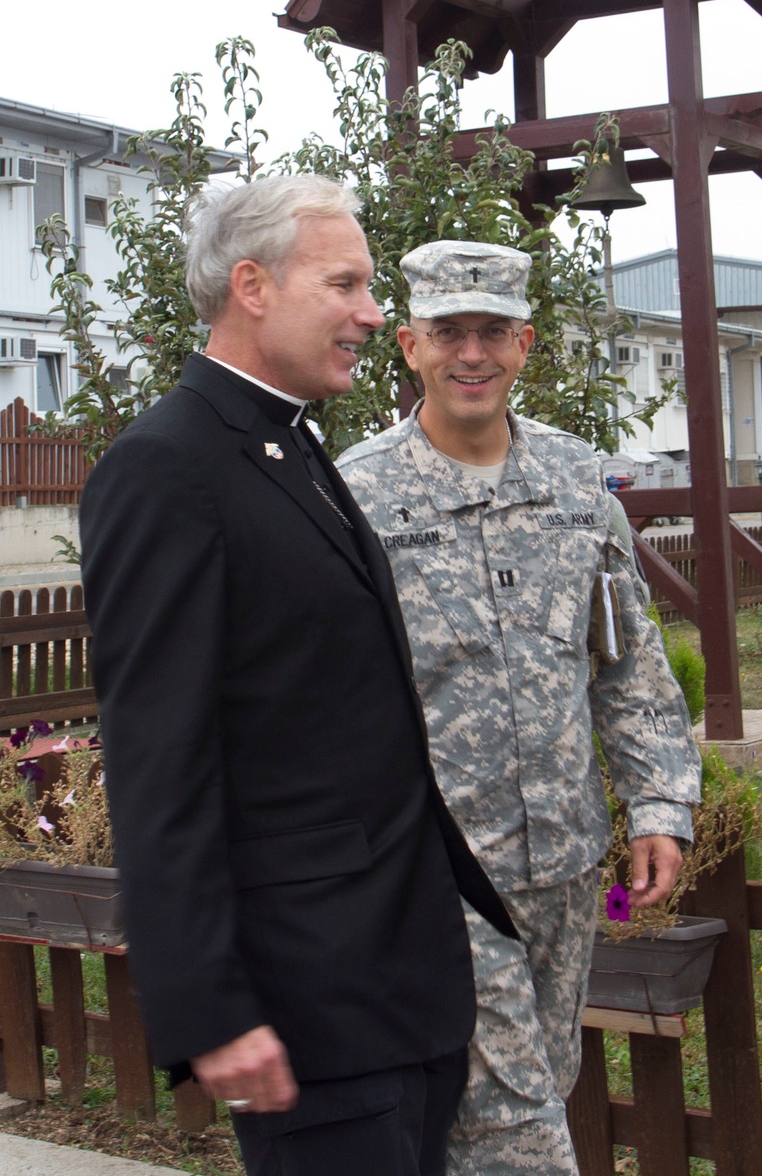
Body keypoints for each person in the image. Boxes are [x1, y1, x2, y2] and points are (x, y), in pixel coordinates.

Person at [80, 181, 514, 1176]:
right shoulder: (169, 468)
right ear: (252, 287)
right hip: (306, 1003)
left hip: (396, 985)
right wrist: (210, 1008)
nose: (372, 313)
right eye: (347, 284)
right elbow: (160, 763)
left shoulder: (289, 442)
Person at [338, 239, 701, 1176]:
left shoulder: (582, 487)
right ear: (410, 346)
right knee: (515, 1125)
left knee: (537, 1079)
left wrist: (660, 805)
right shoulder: (357, 497)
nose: (472, 354)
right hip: (439, 872)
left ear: (526, 342)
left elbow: (628, 665)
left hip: (564, 864)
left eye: (492, 332)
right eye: (449, 332)